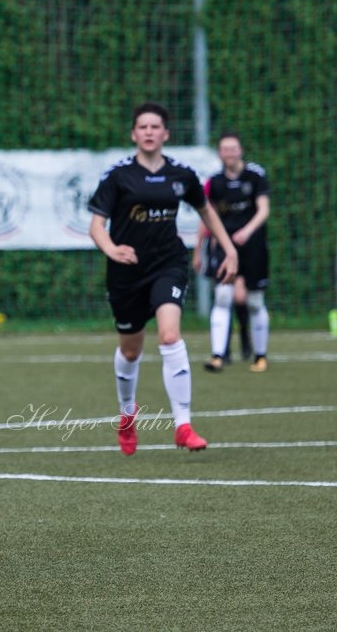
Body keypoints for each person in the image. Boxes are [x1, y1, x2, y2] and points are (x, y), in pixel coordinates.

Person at [88, 103, 238, 456]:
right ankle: (127, 415)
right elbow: (97, 225)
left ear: (166, 134)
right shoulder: (118, 176)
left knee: (170, 335)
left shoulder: (181, 175)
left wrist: (229, 249)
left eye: (156, 126)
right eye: (143, 127)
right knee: (131, 349)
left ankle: (183, 426)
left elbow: (206, 211)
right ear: (134, 134)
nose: (150, 132)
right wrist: (111, 249)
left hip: (168, 263)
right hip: (126, 271)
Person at [194, 132, 271, 373]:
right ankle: (218, 355)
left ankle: (260, 355)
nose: (229, 153)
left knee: (254, 301)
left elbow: (263, 210)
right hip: (226, 248)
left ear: (241, 150)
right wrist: (198, 249)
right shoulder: (214, 182)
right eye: (225, 149)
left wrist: (247, 232)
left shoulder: (255, 176)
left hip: (253, 246)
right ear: (219, 153)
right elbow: (207, 216)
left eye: (233, 148)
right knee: (223, 296)